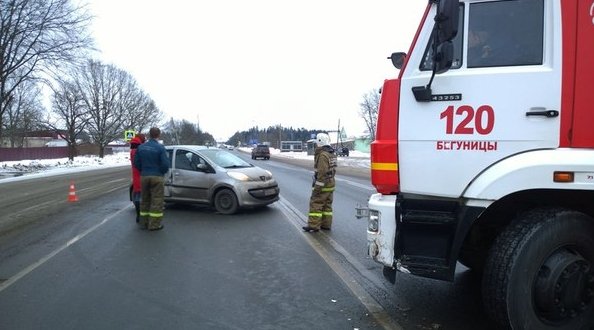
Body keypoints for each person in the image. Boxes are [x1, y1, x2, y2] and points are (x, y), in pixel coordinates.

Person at [133, 127, 170, 231]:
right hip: (157, 177)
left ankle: (143, 223)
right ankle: (154, 225)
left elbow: (136, 163)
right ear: (158, 135)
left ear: (149, 134)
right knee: (156, 201)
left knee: (144, 200)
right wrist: (160, 172)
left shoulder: (141, 147)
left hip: (144, 176)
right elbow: (165, 164)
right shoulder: (160, 148)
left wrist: (144, 170)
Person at [302, 132, 337, 233]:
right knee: (327, 206)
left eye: (317, 142)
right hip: (331, 183)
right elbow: (332, 170)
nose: (316, 144)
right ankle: (326, 225)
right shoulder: (331, 154)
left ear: (320, 142)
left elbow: (322, 173)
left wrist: (317, 188)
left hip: (323, 185)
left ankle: (313, 225)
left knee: (316, 203)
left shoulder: (322, 155)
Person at [129, 133, 146, 223]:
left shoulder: (133, 148)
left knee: (137, 195)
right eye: (144, 139)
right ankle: (140, 215)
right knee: (140, 196)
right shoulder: (138, 149)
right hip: (140, 175)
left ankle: (139, 215)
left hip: (136, 175)